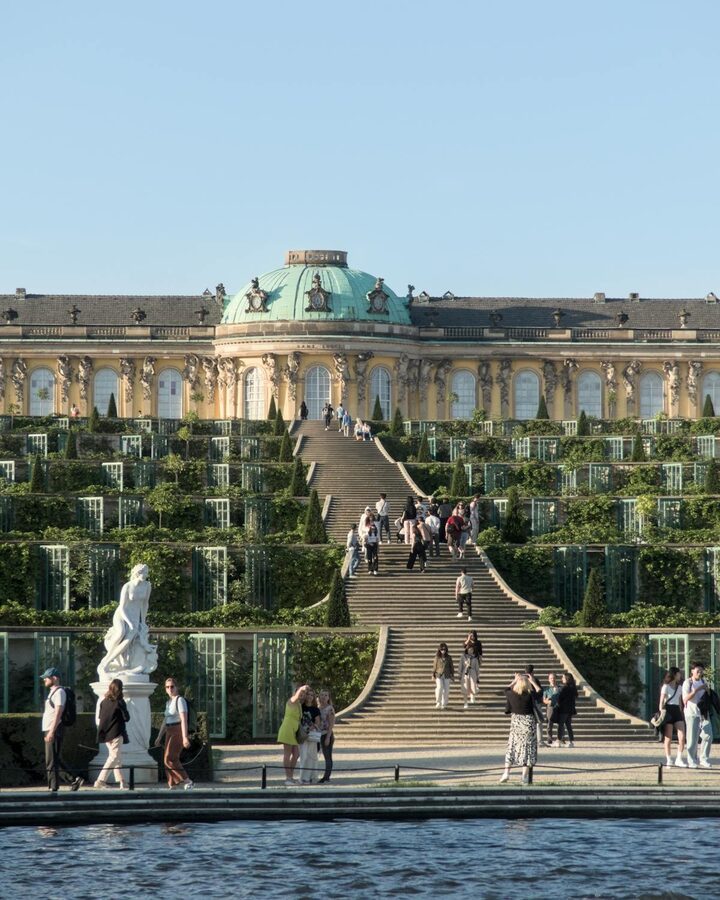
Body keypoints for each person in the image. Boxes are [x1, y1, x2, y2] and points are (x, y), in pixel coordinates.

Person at [40, 667, 83, 792]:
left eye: (46, 678)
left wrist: (52, 731)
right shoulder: (53, 692)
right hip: (50, 728)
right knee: (54, 758)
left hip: (54, 729)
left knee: (51, 760)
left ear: (55, 678)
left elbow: (59, 711)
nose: (44, 680)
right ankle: (74, 779)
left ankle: (53, 787)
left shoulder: (59, 692)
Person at [499, 672, 540, 784]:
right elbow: (539, 692)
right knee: (527, 750)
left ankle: (506, 773)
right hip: (528, 724)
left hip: (516, 724)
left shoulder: (511, 694)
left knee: (511, 748)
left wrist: (514, 680)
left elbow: (505, 690)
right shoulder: (530, 695)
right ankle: (524, 776)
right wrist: (532, 681)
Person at [155, 678, 194, 790]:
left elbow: (184, 719)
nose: (170, 689)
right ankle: (172, 784)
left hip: (177, 730)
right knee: (169, 759)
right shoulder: (168, 702)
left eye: (172, 686)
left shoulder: (179, 700)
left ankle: (187, 780)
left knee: (169, 758)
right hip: (169, 730)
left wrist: (185, 737)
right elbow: (165, 720)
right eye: (167, 687)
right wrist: (159, 736)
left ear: (177, 687)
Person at [94, 678, 130, 789]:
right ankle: (100, 780)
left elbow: (101, 718)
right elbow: (127, 718)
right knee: (114, 758)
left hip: (105, 734)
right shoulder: (120, 702)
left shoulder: (103, 702)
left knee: (116, 757)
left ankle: (122, 781)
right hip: (116, 733)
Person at [276, 683, 310, 786]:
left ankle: (290, 776)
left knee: (296, 754)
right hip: (287, 729)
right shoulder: (291, 701)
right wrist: (302, 688)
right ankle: (288, 777)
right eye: (301, 693)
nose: (302, 695)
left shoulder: (299, 705)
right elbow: (295, 697)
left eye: (304, 694)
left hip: (293, 730)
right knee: (287, 753)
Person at [682, 662, 712, 768]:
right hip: (691, 713)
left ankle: (704, 759)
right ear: (692, 671)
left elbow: (708, 696)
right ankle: (692, 760)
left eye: (701, 671)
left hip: (703, 713)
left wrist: (707, 690)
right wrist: (697, 690)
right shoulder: (687, 683)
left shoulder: (704, 681)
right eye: (697, 671)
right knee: (692, 739)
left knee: (708, 735)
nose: (700, 673)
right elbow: (685, 699)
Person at [658, 667, 686, 768]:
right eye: (679, 674)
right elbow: (661, 702)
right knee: (668, 737)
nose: (680, 676)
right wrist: (661, 713)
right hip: (668, 710)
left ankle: (679, 758)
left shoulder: (680, 687)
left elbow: (680, 702)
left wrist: (682, 712)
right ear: (674, 675)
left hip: (676, 711)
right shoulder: (665, 687)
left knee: (682, 736)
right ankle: (669, 759)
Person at [298, 688, 322, 784]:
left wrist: (313, 726)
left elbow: (318, 721)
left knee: (312, 756)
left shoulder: (315, 709)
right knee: (303, 756)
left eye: (312, 695)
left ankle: (312, 777)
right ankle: (302, 777)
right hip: (302, 734)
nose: (310, 697)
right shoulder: (300, 707)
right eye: (308, 694)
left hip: (312, 734)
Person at [553, 672, 578, 748]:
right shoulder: (573, 688)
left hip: (563, 709)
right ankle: (571, 741)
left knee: (560, 725)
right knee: (568, 725)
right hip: (570, 710)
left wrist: (556, 691)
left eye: (563, 678)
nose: (562, 679)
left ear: (567, 679)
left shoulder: (564, 688)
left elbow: (559, 698)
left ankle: (558, 740)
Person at [318, 689, 336, 784]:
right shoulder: (318, 707)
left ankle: (326, 776)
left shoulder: (330, 709)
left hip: (326, 734)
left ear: (328, 698)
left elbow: (331, 724)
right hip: (318, 734)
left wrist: (328, 737)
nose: (324, 697)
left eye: (326, 695)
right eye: (322, 695)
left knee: (327, 756)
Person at [432, 643, 454, 710]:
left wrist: (452, 675)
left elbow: (451, 667)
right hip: (439, 674)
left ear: (446, 649)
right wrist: (433, 675)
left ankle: (444, 703)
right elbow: (434, 666)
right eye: (441, 649)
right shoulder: (437, 657)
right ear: (439, 649)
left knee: (446, 690)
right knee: (439, 688)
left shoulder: (449, 657)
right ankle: (438, 702)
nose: (443, 651)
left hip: (447, 675)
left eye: (444, 649)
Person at [542, 673, 561, 746]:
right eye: (551, 678)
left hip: (559, 707)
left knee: (560, 724)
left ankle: (559, 739)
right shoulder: (546, 689)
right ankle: (550, 739)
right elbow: (544, 700)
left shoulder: (559, 688)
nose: (552, 679)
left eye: (554, 678)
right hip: (550, 708)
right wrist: (549, 701)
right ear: (548, 679)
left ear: (556, 679)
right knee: (549, 724)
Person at [460, 644, 480, 709]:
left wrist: (478, 676)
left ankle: (472, 696)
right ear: (467, 650)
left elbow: (477, 668)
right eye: (469, 649)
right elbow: (460, 666)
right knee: (465, 688)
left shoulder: (475, 658)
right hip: (465, 673)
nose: (470, 651)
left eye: (472, 650)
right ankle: (465, 703)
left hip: (473, 673)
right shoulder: (463, 657)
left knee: (473, 686)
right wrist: (459, 674)